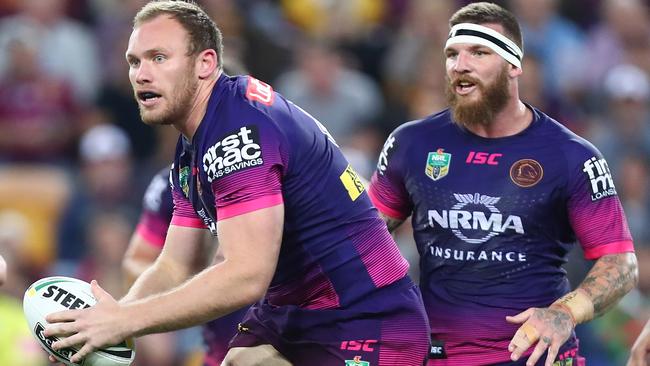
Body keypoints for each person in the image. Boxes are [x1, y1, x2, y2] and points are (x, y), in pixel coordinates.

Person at [44, 1, 430, 365]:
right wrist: (109, 325)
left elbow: (246, 275)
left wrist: (123, 322)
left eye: (159, 58)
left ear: (205, 63)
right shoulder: (193, 146)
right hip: (297, 318)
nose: (141, 74)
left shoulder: (238, 132)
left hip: (367, 319)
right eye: (134, 61)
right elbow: (177, 263)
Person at [369, 2, 638, 366]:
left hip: (534, 356)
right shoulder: (412, 143)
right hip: (436, 355)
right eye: (452, 54)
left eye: (479, 52)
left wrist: (564, 313)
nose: (460, 65)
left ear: (514, 65)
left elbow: (620, 264)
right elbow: (361, 239)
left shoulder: (570, 155)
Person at [123, 165, 249, 365]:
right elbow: (139, 261)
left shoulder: (269, 168)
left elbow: (248, 274)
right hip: (217, 348)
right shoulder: (173, 181)